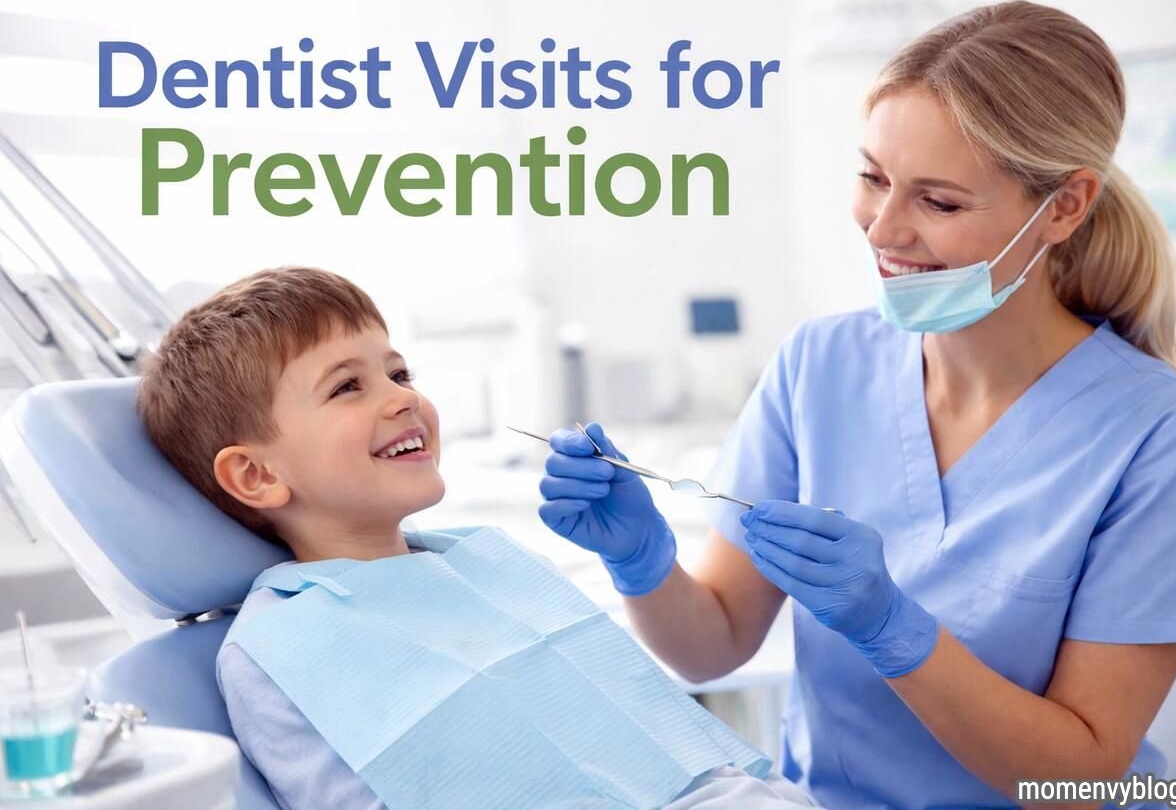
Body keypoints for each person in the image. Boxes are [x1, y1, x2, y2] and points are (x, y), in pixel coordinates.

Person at [537, 0, 1176, 810]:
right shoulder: (820, 366)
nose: (884, 227)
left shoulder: (1160, 435)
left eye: (939, 202)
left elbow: (1077, 777)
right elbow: (712, 645)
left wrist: (893, 631)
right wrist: (640, 560)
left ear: (1064, 206)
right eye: (872, 177)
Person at [137, 266, 817, 810]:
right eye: (348, 387)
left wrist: (641, 562)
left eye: (399, 373)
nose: (403, 397)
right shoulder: (280, 645)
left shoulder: (480, 561)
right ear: (255, 474)